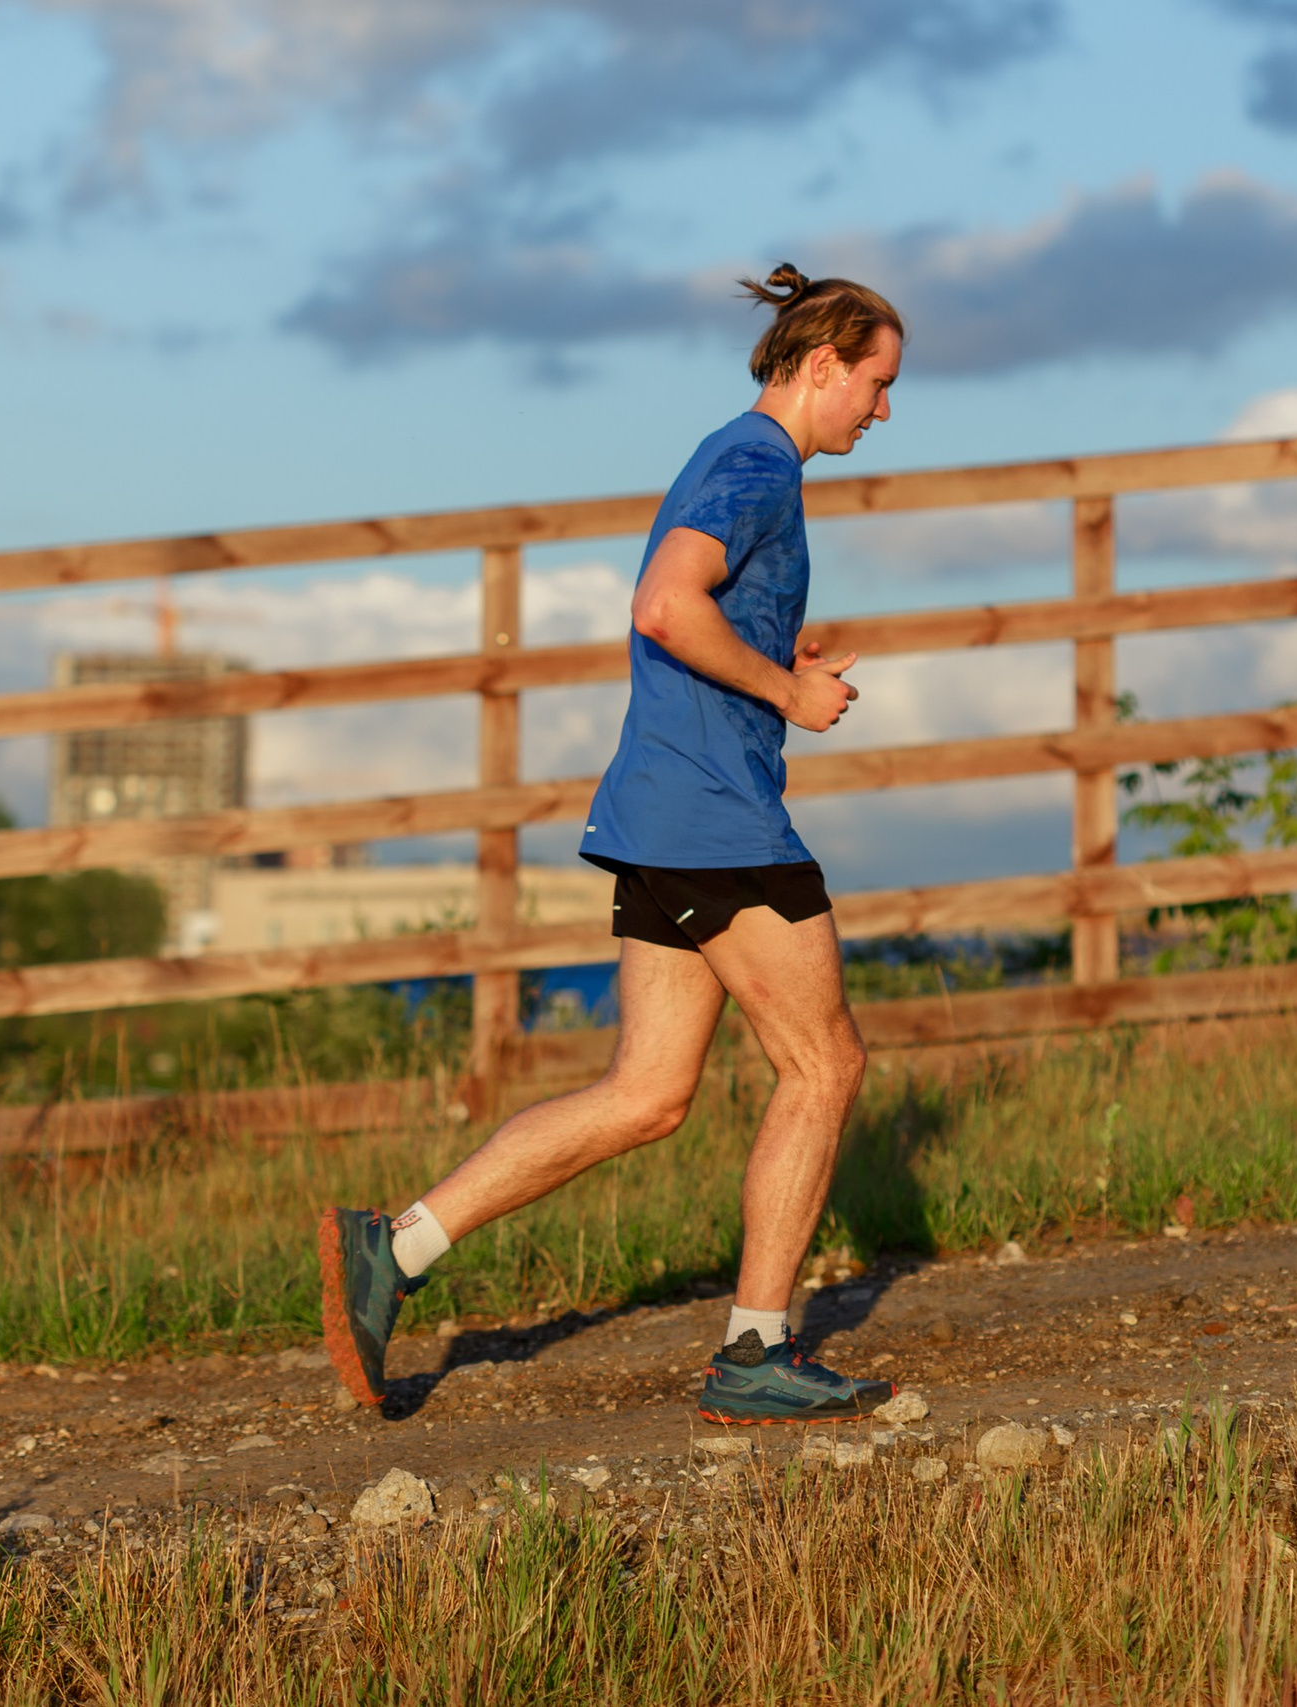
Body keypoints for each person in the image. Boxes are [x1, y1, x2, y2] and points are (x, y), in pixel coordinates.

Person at [321, 263, 904, 1424]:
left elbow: (694, 620)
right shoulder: (754, 465)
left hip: (663, 809)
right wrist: (785, 699)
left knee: (646, 1093)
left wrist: (777, 672)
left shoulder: (735, 459)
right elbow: (662, 604)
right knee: (825, 1064)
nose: (882, 412)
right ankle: (754, 1351)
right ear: (822, 362)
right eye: (877, 383)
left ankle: (397, 1246)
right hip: (710, 815)